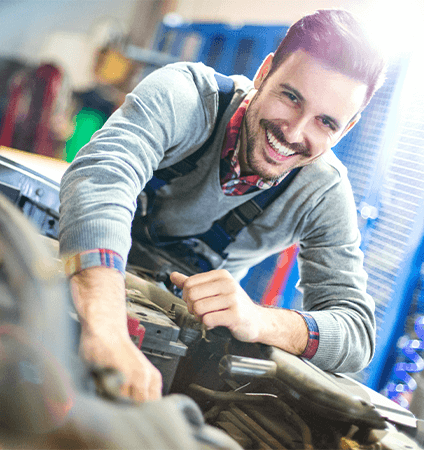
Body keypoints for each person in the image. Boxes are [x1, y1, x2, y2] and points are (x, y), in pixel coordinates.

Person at [59, 9, 387, 403]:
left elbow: (356, 332)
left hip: (176, 329)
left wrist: (259, 319)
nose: (294, 132)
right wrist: (107, 329)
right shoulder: (186, 96)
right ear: (264, 72)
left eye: (326, 123)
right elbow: (101, 179)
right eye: (291, 97)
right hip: (84, 281)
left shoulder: (323, 193)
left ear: (345, 129)